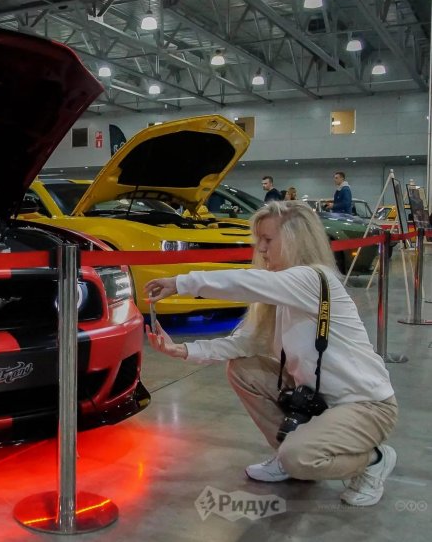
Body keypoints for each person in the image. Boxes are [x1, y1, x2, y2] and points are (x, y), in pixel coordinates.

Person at [144, 201, 397, 507]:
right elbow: (244, 343)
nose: (261, 249)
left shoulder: (313, 278)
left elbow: (245, 283)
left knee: (299, 458)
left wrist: (181, 283)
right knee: (243, 369)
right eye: (258, 240)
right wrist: (184, 349)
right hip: (320, 400)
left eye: (268, 240)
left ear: (294, 239)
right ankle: (289, 454)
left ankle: (373, 460)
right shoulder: (282, 292)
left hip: (366, 406)